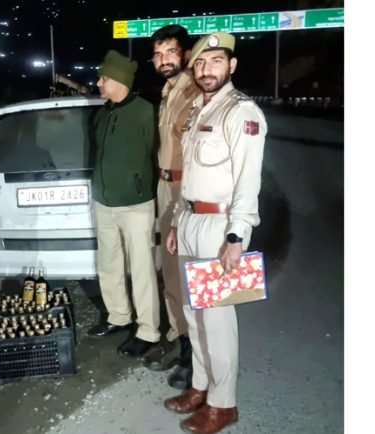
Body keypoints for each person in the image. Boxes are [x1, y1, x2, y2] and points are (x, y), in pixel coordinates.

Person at [163, 32, 267, 434]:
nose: (207, 70)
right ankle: (201, 387)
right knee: (195, 314)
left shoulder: (242, 113)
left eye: (216, 62)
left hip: (221, 226)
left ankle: (224, 405)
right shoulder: (200, 110)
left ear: (232, 66)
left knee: (218, 320)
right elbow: (190, 177)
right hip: (190, 221)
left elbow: (248, 181)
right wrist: (175, 222)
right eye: (201, 64)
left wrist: (237, 237)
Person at [87, 49, 160, 357]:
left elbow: (154, 153)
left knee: (142, 269)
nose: (99, 82)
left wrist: (142, 187)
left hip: (135, 205)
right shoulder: (102, 113)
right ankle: (118, 316)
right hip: (103, 203)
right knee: (109, 265)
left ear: (120, 80)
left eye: (104, 77)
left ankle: (148, 331)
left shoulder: (145, 112)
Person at [143, 25, 200, 390]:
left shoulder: (196, 91)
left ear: (185, 54)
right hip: (165, 186)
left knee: (190, 272)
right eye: (159, 54)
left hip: (187, 187)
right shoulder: (166, 93)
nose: (164, 60)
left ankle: (197, 357)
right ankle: (180, 342)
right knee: (169, 270)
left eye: (171, 53)